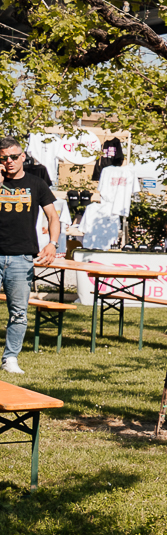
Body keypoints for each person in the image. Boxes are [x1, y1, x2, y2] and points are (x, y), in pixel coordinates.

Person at [0, 135, 61, 375]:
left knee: (18, 313)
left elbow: (53, 216)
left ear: (23, 156)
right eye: (3, 158)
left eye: (14, 157)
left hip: (22, 257)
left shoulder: (36, 183)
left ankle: (10, 358)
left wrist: (52, 243)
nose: (9, 162)